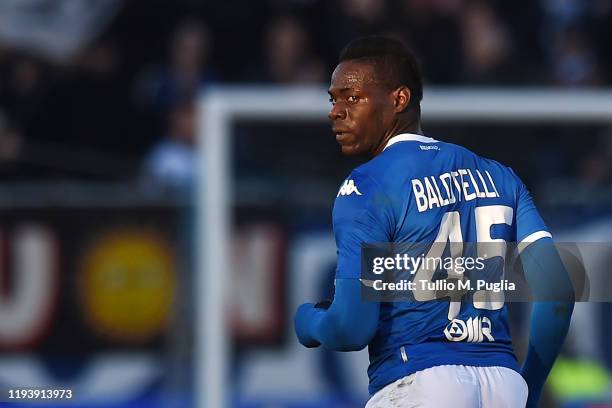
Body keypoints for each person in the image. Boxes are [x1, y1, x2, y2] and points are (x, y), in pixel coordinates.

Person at [294, 36, 574, 408]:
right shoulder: (500, 176)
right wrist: (531, 387)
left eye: (352, 97)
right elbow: (558, 292)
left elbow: (350, 328)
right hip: (504, 385)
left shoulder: (367, 186)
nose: (336, 110)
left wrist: (310, 322)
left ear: (399, 99)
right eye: (334, 99)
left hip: (418, 379)